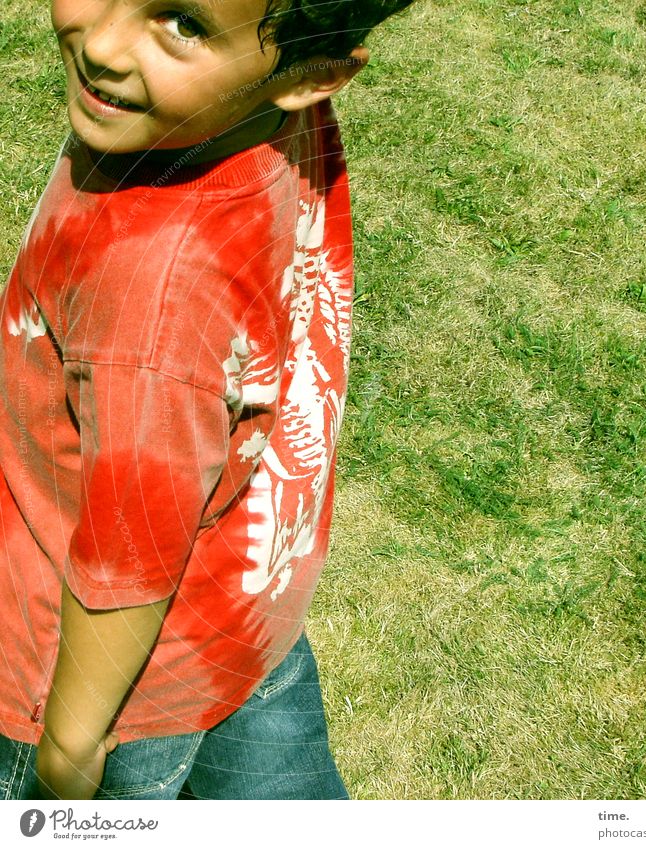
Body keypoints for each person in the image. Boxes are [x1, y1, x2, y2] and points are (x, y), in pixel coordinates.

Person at [0, 0, 414, 800]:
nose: (106, 44)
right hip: (241, 605)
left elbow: (129, 556)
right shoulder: (240, 109)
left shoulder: (151, 296)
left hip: (90, 679)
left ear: (311, 76)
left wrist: (70, 743)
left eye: (181, 23)